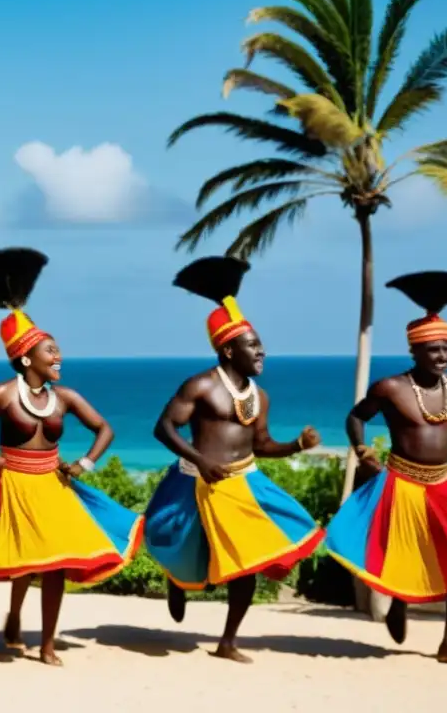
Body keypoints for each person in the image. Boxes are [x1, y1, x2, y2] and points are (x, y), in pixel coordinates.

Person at [0, 247, 142, 667]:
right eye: (51, 351)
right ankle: (15, 614)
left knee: (54, 565)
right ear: (27, 356)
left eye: (57, 351)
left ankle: (47, 643)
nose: (58, 358)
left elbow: (105, 428)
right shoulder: (1, 393)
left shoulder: (64, 397)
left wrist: (84, 463)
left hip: (54, 484)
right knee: (24, 563)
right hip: (12, 485)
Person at [144, 255, 323, 663]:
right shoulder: (201, 385)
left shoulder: (259, 397)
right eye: (252, 345)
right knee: (185, 553)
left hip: (243, 484)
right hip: (193, 482)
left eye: (260, 344)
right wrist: (199, 460)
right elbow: (163, 428)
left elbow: (261, 445)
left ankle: (227, 642)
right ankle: (178, 580)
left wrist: (296, 445)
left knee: (247, 562)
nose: (261, 351)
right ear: (228, 349)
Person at [325, 270, 447, 667]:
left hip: (445, 482)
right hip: (401, 482)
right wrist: (362, 448)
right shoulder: (390, 389)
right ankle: (398, 600)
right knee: (403, 554)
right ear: (415, 352)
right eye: (434, 349)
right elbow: (355, 417)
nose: (442, 356)